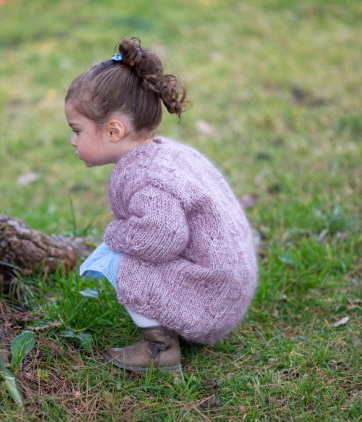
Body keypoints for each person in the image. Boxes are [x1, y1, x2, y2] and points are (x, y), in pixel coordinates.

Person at [65, 38, 258, 372]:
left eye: (77, 130)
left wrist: (115, 234)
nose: (72, 141)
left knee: (116, 259)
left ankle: (160, 349)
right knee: (122, 251)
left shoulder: (146, 177)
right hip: (229, 282)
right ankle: (169, 324)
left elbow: (162, 237)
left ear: (113, 130)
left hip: (214, 295)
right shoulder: (165, 154)